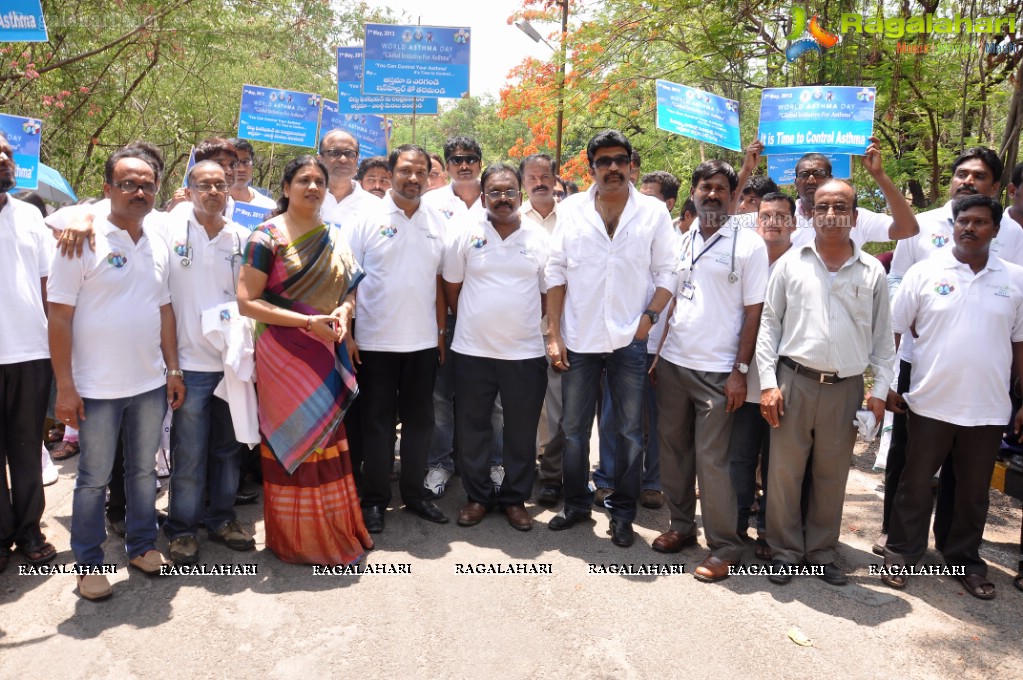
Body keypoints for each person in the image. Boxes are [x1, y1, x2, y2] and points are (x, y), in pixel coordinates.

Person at [49, 145, 182, 600]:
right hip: (97, 387)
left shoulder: (156, 240)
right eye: (127, 183)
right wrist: (65, 386)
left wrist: (173, 369)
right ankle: (88, 564)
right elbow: (59, 317)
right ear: (107, 189)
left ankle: (141, 546)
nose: (138, 191)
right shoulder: (80, 239)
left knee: (144, 473)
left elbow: (164, 309)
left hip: (148, 383)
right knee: (92, 479)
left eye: (146, 184)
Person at [878, 146, 1023, 555]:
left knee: (970, 477)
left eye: (978, 176)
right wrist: (885, 378)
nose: (967, 181)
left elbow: (1017, 327)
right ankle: (899, 543)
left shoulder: (1015, 246)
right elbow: (897, 290)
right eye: (962, 173)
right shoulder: (919, 226)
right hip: (922, 367)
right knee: (911, 464)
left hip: (987, 381)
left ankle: (955, 553)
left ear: (996, 188)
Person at [757, 179, 895, 587]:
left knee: (832, 475)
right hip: (793, 382)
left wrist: (879, 393)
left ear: (854, 216)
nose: (831, 215)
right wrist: (768, 383)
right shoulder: (790, 264)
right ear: (810, 214)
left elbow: (884, 341)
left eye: (840, 207)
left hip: (847, 388)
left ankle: (819, 552)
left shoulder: (872, 272)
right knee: (784, 473)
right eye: (823, 207)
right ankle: (784, 552)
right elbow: (769, 326)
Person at [237, 155, 372, 565]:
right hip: (283, 356)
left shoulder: (333, 234)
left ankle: (332, 529)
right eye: (303, 180)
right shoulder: (266, 237)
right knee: (295, 437)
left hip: (325, 349)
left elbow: (349, 287)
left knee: (328, 437)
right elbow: (247, 302)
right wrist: (307, 321)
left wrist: (345, 314)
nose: (312, 187)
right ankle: (296, 539)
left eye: (319, 181)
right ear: (286, 187)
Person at [545, 129, 677, 547]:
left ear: (631, 164)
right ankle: (578, 506)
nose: (613, 168)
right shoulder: (571, 212)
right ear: (592, 168)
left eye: (620, 159)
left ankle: (623, 513)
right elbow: (555, 272)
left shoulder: (653, 213)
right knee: (573, 429)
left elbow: (668, 273)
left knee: (629, 433)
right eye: (604, 161)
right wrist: (553, 333)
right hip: (579, 337)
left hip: (629, 340)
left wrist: (648, 319)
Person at [652, 160, 768, 582]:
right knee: (674, 451)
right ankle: (681, 526)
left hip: (718, 372)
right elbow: (676, 300)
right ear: (694, 192)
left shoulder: (749, 245)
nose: (712, 194)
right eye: (705, 187)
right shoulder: (683, 239)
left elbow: (755, 313)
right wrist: (658, 353)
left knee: (712, 461)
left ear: (733, 195)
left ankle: (725, 545)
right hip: (674, 364)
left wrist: (740, 370)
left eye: (721, 187)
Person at [346, 144, 450, 532]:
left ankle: (415, 494)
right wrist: (350, 335)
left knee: (421, 422)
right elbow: (348, 280)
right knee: (377, 424)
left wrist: (440, 333)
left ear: (428, 175)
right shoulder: (365, 218)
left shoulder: (438, 220)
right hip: (374, 342)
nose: (413, 178)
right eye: (406, 170)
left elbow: (439, 282)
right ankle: (374, 500)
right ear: (391, 173)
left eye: (421, 171)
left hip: (422, 343)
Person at [445, 164, 549, 531]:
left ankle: (515, 499)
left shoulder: (538, 238)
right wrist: (476, 320)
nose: (502, 198)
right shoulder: (465, 232)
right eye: (494, 192)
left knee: (521, 432)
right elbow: (452, 287)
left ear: (520, 194)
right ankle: (477, 498)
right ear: (484, 195)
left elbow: (546, 293)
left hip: (524, 353)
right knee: (473, 428)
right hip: (472, 350)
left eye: (509, 192)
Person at [162, 160, 255, 564]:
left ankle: (222, 519)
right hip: (189, 365)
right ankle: (182, 529)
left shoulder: (244, 238)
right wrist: (173, 368)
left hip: (232, 364)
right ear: (190, 189)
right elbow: (98, 211)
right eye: (205, 185)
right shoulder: (168, 231)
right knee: (190, 453)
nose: (214, 192)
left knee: (227, 449)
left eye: (221, 184)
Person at [593, 169, 684, 510]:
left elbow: (672, 284)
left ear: (670, 203)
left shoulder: (676, 236)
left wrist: (652, 327)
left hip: (658, 340)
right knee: (614, 414)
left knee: (655, 417)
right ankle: (607, 478)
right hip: (623, 336)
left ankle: (652, 482)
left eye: (653, 196)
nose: (642, 201)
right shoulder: (621, 226)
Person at [422, 136, 502, 500]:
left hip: (490, 316)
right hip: (445, 312)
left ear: (481, 162)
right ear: (447, 164)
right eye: (456, 159)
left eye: (471, 158)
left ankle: (495, 463)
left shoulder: (498, 201)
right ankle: (440, 463)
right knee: (441, 396)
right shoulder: (431, 203)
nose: (464, 164)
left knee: (494, 399)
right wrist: (444, 320)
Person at [728, 192, 797, 561]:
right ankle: (736, 522)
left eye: (781, 216)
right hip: (742, 376)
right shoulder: (743, 259)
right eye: (765, 215)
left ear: (793, 224)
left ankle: (770, 531)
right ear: (756, 222)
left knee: (777, 463)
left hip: (782, 383)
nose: (772, 221)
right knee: (739, 456)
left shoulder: (803, 265)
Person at [0, 133, 57, 572]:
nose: (4, 158)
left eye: (7, 152)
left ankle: (29, 531)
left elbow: (46, 286)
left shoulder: (30, 217)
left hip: (29, 352)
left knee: (26, 449)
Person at [520, 154, 564, 506]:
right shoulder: (510, 218)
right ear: (523, 182)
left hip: (563, 324)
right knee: (521, 403)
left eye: (545, 175)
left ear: (555, 178)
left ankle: (552, 473)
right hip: (519, 324)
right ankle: (520, 468)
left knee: (558, 401)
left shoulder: (573, 219)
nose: (539, 181)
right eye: (532, 176)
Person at [317, 129, 380, 225]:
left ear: (357, 159)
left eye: (349, 153)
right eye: (334, 153)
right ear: (320, 159)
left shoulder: (375, 207)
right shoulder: (304, 198)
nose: (343, 159)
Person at [227, 138, 277, 212]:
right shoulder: (212, 203)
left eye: (245, 162)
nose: (241, 169)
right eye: (234, 163)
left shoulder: (268, 206)